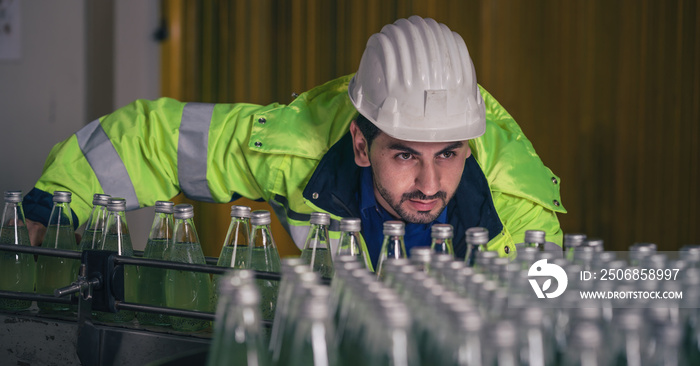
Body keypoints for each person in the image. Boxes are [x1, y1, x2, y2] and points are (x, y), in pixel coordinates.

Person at [22, 16, 566, 271]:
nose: (429, 184)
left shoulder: (522, 215)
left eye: (447, 154)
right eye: (404, 153)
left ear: (468, 144)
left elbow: (549, 326)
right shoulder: (294, 150)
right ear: (360, 142)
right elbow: (153, 139)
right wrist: (56, 203)